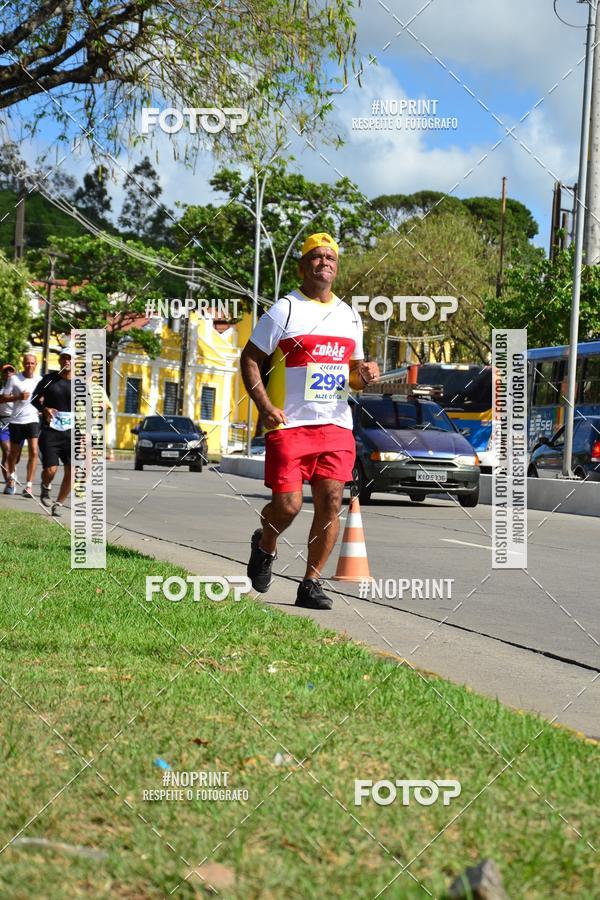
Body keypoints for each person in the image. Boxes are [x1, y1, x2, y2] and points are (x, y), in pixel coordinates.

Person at [240, 232, 379, 610]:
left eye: (331, 258)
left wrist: (364, 376)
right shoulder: (285, 310)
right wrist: (265, 406)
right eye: (316, 257)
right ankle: (265, 544)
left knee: (331, 502)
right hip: (289, 425)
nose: (324, 263)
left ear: (337, 267)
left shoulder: (349, 315)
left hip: (336, 425)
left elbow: (352, 375)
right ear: (303, 267)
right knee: (287, 507)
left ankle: (311, 583)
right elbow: (250, 358)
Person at [32, 347, 73, 516]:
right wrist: (45, 409)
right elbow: (34, 399)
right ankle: (45, 485)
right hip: (51, 431)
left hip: (72, 433)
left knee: (72, 470)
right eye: (63, 358)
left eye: (69, 358)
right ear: (60, 360)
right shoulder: (49, 379)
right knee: (51, 470)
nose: (66, 361)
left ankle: (59, 503)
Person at [3, 353, 41, 497]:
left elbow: (44, 398)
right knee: (13, 454)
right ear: (23, 364)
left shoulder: (40, 380)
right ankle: (11, 478)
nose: (29, 365)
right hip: (17, 421)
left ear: (36, 365)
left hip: (33, 419)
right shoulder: (14, 379)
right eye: (26, 363)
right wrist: (18, 397)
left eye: (32, 363)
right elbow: (2, 398)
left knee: (34, 451)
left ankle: (29, 486)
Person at [0, 363, 17, 483]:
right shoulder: (1, 390)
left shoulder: (20, 388)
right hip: (2, 422)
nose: (8, 373)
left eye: (10, 371)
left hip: (18, 422)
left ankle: (12, 472)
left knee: (15, 456)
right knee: (7, 452)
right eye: (5, 371)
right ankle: (9, 483)